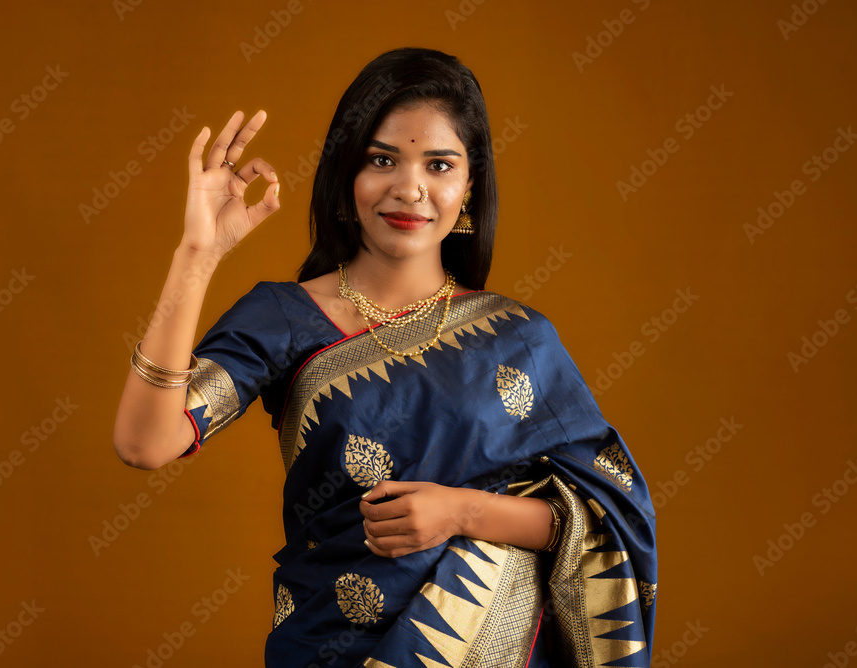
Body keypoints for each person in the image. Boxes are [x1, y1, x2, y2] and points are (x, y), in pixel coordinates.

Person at [113, 47, 657, 668]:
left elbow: (603, 519)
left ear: (469, 185)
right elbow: (144, 443)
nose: (410, 188)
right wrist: (197, 256)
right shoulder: (284, 318)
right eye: (382, 160)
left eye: (440, 164)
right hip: (326, 646)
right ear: (347, 176)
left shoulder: (521, 338)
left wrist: (460, 512)